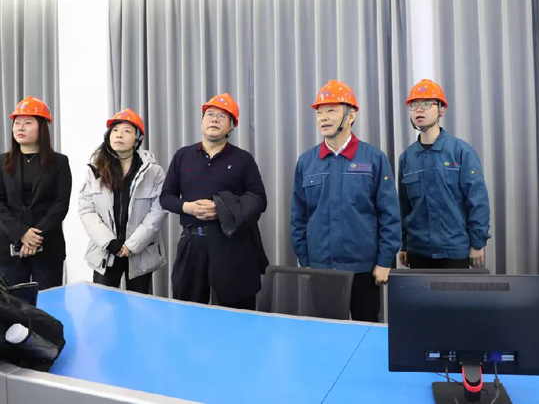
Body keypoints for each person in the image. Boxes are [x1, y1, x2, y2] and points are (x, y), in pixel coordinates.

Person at [290, 80, 401, 322]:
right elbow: (298, 217)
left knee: (365, 331)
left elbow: (390, 214)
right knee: (328, 332)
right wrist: (306, 260)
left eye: (331, 111)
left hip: (364, 268)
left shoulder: (373, 158)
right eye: (319, 112)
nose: (323, 118)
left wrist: (384, 261)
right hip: (321, 268)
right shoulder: (306, 162)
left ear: (350, 116)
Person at [160, 94, 268, 309]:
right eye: (210, 114)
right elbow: (165, 197)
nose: (214, 119)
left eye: (222, 116)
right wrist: (188, 207)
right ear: (202, 121)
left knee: (236, 313)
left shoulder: (243, 159)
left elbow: (259, 199)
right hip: (192, 243)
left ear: (232, 126)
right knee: (187, 310)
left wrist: (223, 208)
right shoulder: (183, 156)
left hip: (232, 245)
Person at [397, 79, 490, 269]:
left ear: (442, 110)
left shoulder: (462, 152)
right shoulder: (407, 158)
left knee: (453, 291)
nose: (419, 110)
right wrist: (404, 244)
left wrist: (477, 243)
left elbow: (477, 199)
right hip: (418, 250)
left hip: (454, 249)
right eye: (414, 105)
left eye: (426, 104)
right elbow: (404, 207)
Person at [79, 109, 168, 294]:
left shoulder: (153, 171)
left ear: (137, 139)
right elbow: (87, 210)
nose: (119, 134)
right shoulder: (95, 170)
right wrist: (109, 242)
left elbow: (158, 211)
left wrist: (132, 246)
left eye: (127, 131)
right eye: (115, 130)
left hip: (140, 251)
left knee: (139, 305)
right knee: (102, 304)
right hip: (106, 251)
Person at [0, 97, 72, 289]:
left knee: (48, 303)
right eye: (17, 123)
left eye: (27, 123)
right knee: (12, 304)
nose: (20, 128)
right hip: (9, 247)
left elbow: (60, 204)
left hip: (48, 247)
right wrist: (21, 233)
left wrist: (34, 238)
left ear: (42, 127)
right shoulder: (2, 162)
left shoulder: (59, 162)